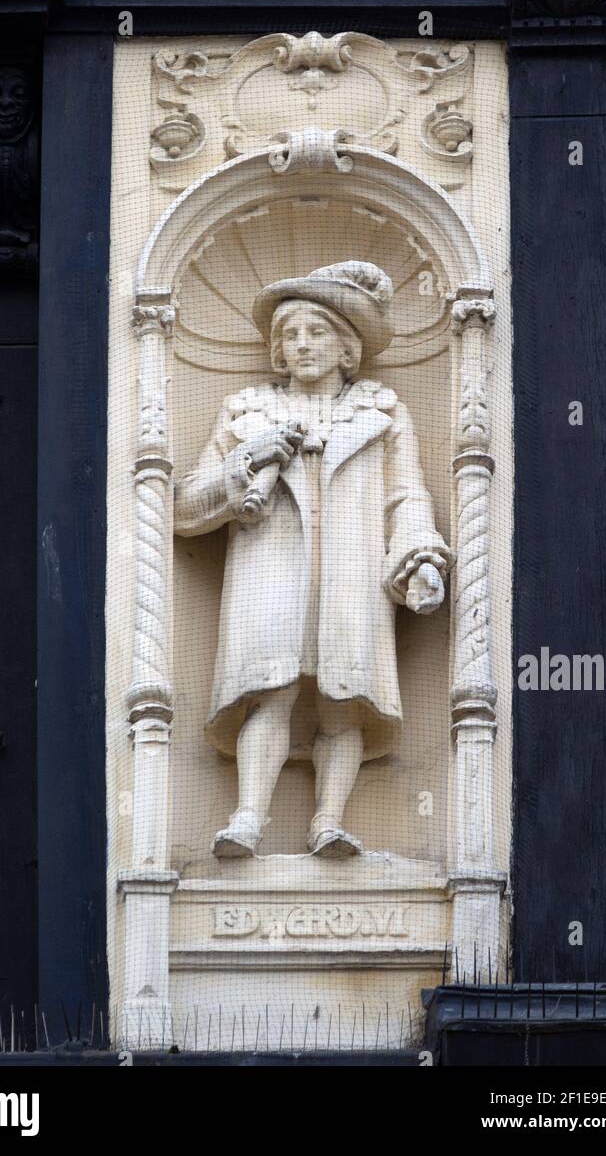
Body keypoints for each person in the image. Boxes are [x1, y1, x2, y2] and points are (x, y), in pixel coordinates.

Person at [174, 260, 451, 858]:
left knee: (342, 699)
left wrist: (420, 557)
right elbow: (185, 508)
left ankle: (329, 821)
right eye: (289, 335)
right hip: (269, 570)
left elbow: (408, 494)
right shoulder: (245, 410)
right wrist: (241, 464)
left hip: (353, 571)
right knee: (270, 691)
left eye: (315, 332)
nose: (300, 344)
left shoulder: (383, 410)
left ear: (347, 346)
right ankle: (248, 817)